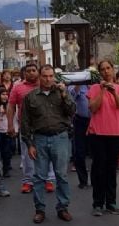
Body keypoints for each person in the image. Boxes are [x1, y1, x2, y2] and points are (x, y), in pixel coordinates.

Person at [21, 65, 76, 223]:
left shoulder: (61, 93)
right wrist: (29, 144)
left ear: (54, 76)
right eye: (45, 76)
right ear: (39, 77)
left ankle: (63, 207)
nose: (48, 79)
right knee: (39, 176)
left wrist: (65, 94)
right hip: (39, 139)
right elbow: (25, 123)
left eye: (51, 76)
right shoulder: (30, 97)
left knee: (62, 175)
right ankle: (40, 210)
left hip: (60, 137)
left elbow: (72, 111)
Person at [87, 59, 119, 216]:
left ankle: (111, 201)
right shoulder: (95, 88)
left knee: (111, 168)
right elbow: (93, 108)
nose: (106, 71)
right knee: (99, 168)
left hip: (116, 133)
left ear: (113, 69)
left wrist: (113, 92)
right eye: (102, 69)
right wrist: (102, 91)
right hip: (97, 133)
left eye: (108, 68)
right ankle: (97, 203)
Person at [8, 63, 55, 194]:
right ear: (24, 73)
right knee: (27, 155)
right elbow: (11, 106)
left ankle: (49, 179)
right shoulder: (18, 88)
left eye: (34, 70)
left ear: (38, 72)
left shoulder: (46, 85)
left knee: (47, 153)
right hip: (26, 127)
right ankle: (28, 181)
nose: (31, 73)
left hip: (45, 125)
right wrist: (10, 124)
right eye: (28, 71)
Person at [68, 82, 91, 189]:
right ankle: (83, 180)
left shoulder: (95, 85)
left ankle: (96, 179)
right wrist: (78, 83)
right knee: (79, 152)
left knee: (96, 152)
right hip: (80, 120)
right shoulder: (76, 86)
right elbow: (71, 97)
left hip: (95, 121)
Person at [0, 87, 13, 178]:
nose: (5, 96)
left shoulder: (10, 105)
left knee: (7, 151)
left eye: (6, 94)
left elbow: (14, 118)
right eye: (3, 94)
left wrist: (14, 129)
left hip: (7, 131)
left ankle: (6, 169)